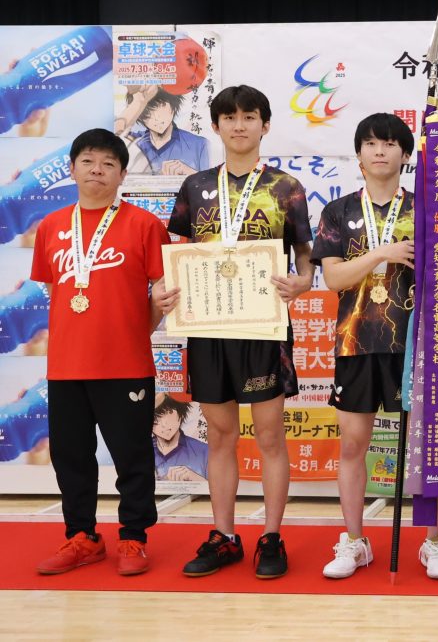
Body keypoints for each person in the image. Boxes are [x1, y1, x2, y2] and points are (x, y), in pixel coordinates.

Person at [163, 85, 313, 579]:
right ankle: (224, 536)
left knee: (269, 435)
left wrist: (302, 282)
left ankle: (271, 536)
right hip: (208, 326)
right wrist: (168, 287)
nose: (240, 125)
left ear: (265, 125)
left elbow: (306, 258)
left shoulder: (286, 187)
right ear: (216, 126)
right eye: (229, 117)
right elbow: (177, 251)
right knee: (221, 435)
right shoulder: (196, 186)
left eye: (250, 116)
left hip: (264, 327)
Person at [311, 113, 438, 579]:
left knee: (428, 444)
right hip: (355, 344)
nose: (379, 151)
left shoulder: (427, 210)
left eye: (390, 143)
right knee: (353, 444)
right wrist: (381, 253)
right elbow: (334, 278)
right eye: (370, 143)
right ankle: (354, 541)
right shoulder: (337, 212)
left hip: (419, 346)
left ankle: (434, 543)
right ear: (358, 154)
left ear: (406, 155)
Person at [30, 128, 173, 576]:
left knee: (132, 456)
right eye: (88, 161)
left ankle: (133, 538)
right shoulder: (51, 226)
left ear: (122, 174)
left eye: (109, 163)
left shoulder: (145, 225)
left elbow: (161, 292)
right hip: (66, 365)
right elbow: (54, 290)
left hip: (126, 363)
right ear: (72, 169)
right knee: (71, 457)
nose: (98, 170)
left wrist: (140, 326)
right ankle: (82, 537)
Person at [118, 86, 210, 175]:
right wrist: (138, 102)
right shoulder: (135, 142)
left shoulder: (200, 144)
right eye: (147, 112)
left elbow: (211, 181)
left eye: (162, 106)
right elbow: (113, 138)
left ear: (173, 105)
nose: (156, 117)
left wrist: (191, 173)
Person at [152, 393, 208, 481]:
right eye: (155, 418)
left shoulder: (204, 451)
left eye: (169, 412)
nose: (164, 424)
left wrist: (198, 480)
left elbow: (220, 486)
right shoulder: (140, 451)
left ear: (180, 413)